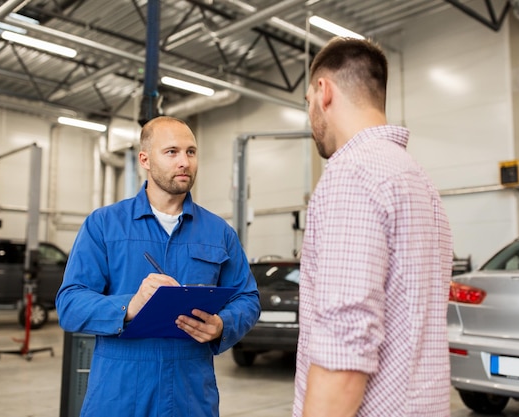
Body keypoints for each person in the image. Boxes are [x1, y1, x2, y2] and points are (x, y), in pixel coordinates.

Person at [56, 116, 261, 417]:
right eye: (172, 152)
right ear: (145, 160)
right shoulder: (103, 225)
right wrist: (129, 306)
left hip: (190, 396)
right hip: (118, 395)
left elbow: (248, 298)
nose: (185, 162)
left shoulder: (219, 233)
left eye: (191, 152)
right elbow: (70, 303)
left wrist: (222, 325)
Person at [293, 37, 453, 417]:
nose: (310, 115)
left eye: (307, 104)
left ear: (323, 90)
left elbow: (345, 347)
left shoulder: (352, 174)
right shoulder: (416, 179)